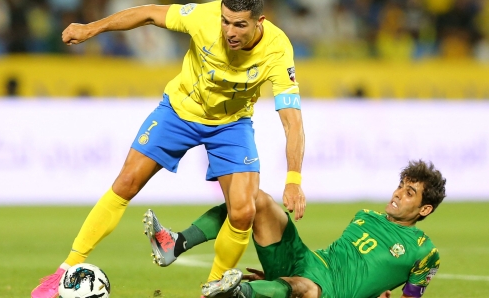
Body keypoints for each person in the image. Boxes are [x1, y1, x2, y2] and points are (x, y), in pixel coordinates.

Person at [31, 1, 306, 297]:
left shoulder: (278, 50)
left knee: (242, 211)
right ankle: (64, 270)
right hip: (179, 111)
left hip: (231, 124)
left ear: (259, 21)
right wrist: (92, 28)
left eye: (239, 25)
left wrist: (294, 180)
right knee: (126, 182)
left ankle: (210, 290)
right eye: (226, 22)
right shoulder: (204, 17)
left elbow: (292, 122)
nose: (229, 31)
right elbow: (149, 13)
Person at [146, 160, 445, 298]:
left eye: (409, 193)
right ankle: (176, 243)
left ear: (425, 209)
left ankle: (236, 292)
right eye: (400, 186)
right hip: (308, 261)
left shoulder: (423, 251)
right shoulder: (364, 215)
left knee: (307, 289)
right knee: (256, 199)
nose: (397, 194)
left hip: (332, 291)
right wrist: (277, 270)